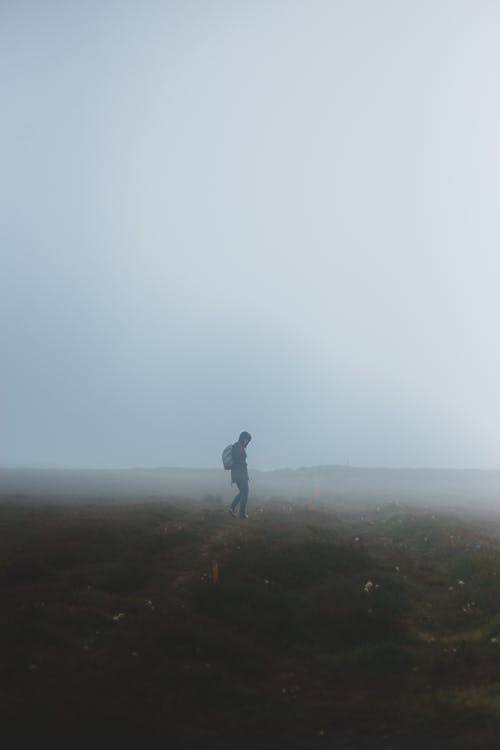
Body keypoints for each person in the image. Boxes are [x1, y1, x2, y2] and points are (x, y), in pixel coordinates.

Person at [229, 431, 252, 519]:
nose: (247, 442)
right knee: (245, 493)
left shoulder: (238, 446)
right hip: (240, 473)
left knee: (242, 492)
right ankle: (241, 514)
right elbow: (238, 460)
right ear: (243, 438)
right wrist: (244, 465)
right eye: (247, 440)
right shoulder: (238, 447)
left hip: (238, 473)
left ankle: (231, 508)